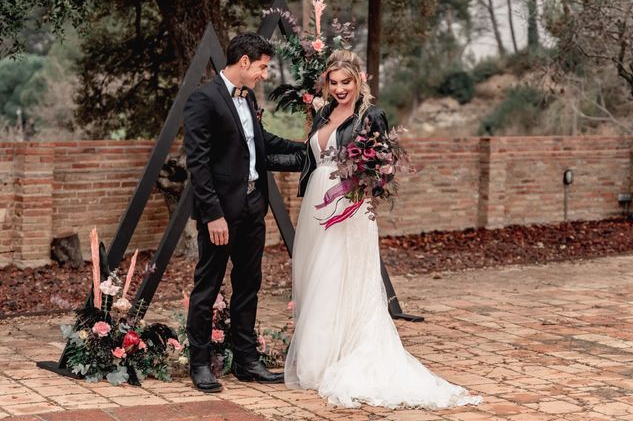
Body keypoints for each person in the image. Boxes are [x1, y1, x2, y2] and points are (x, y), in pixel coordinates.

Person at [283, 50, 483, 409]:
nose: (341, 88)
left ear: (359, 81)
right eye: (334, 82)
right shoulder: (324, 113)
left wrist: (362, 186)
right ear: (326, 85)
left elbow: (381, 165)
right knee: (318, 275)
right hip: (316, 201)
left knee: (340, 273)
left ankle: (346, 353)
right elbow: (308, 156)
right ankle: (320, 355)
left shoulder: (370, 115)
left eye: (347, 82)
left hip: (349, 205)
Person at [183, 33, 304, 393]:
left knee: (249, 285)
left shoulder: (248, 98)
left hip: (253, 206)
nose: (264, 75)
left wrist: (309, 148)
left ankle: (247, 362)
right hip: (221, 213)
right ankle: (201, 363)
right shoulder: (202, 100)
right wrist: (213, 214)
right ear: (245, 61)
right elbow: (199, 165)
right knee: (207, 287)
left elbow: (262, 143)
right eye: (263, 67)